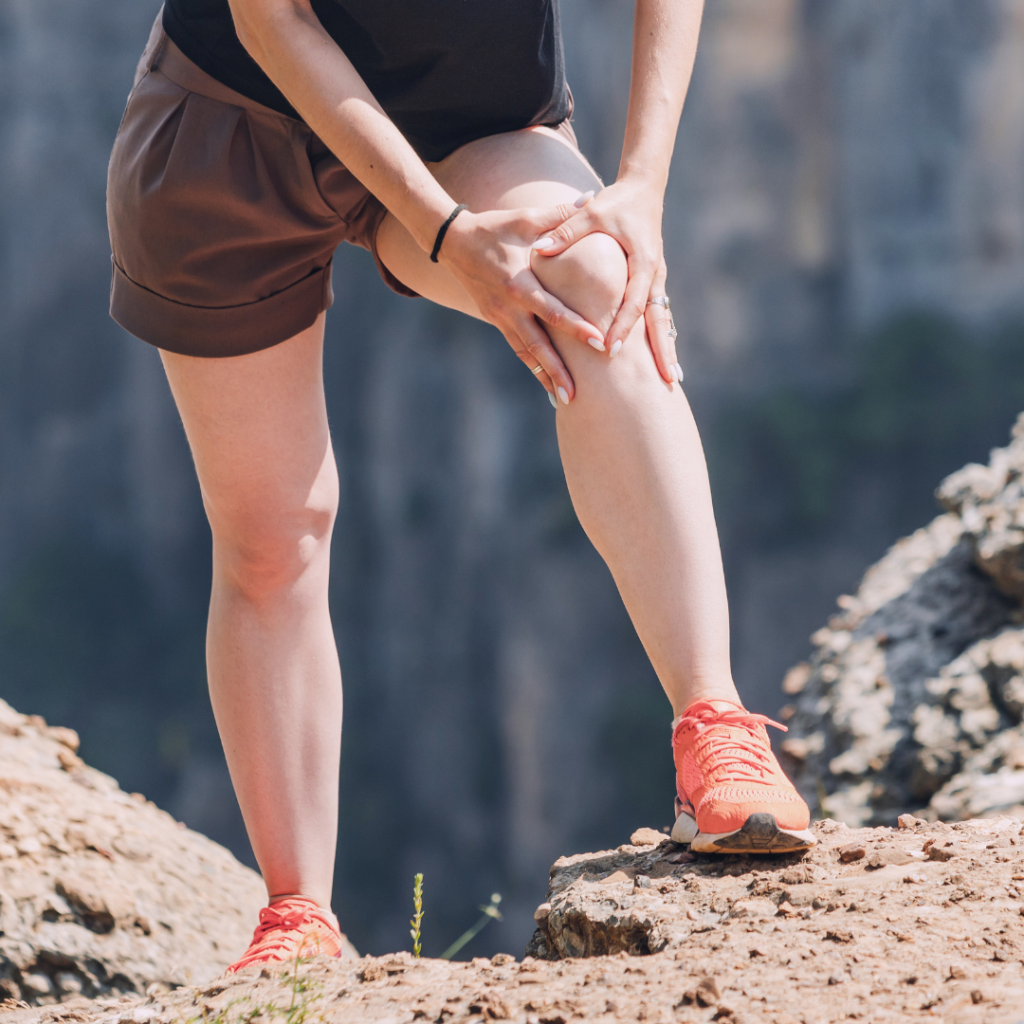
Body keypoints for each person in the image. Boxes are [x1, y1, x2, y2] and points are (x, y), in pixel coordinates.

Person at [106, 0, 814, 970]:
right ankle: (298, 916)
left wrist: (641, 187)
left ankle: (716, 730)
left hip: (469, 125)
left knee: (600, 283)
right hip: (235, 128)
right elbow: (270, 20)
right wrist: (441, 235)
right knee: (277, 533)